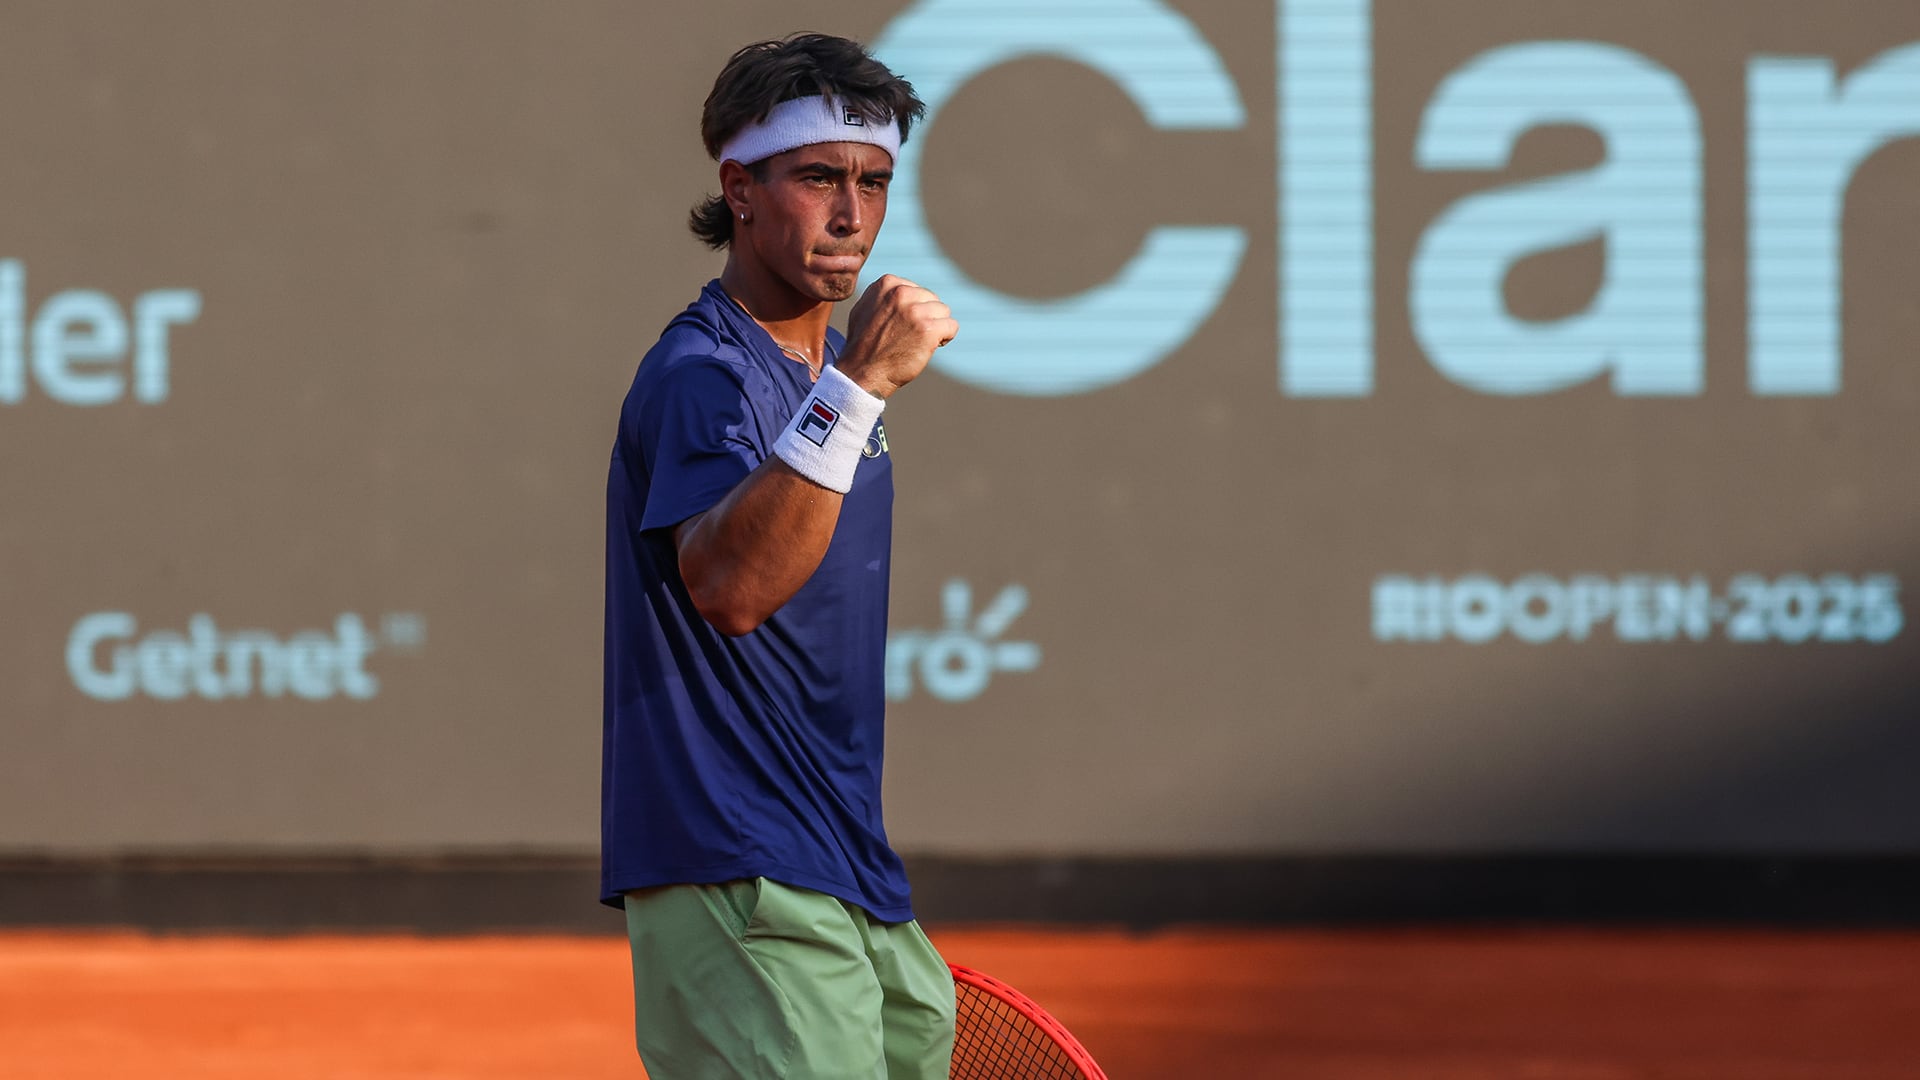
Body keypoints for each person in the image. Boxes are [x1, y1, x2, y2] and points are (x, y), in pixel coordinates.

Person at [600, 32, 958, 1080]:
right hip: (735, 861)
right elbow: (733, 587)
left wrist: (842, 391)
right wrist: (856, 389)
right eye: (818, 178)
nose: (851, 214)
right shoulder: (702, 376)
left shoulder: (816, 381)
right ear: (741, 189)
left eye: (873, 182)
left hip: (843, 858)